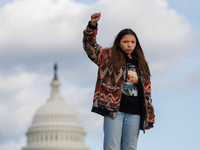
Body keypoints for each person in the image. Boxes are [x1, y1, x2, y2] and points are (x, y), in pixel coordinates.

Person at [83, 12, 155, 150]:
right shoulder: (107, 57)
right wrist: (92, 25)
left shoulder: (141, 63)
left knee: (130, 147)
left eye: (132, 42)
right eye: (125, 42)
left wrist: (149, 115)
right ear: (119, 42)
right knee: (112, 146)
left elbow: (147, 93)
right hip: (114, 110)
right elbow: (89, 46)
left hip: (135, 112)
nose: (129, 45)